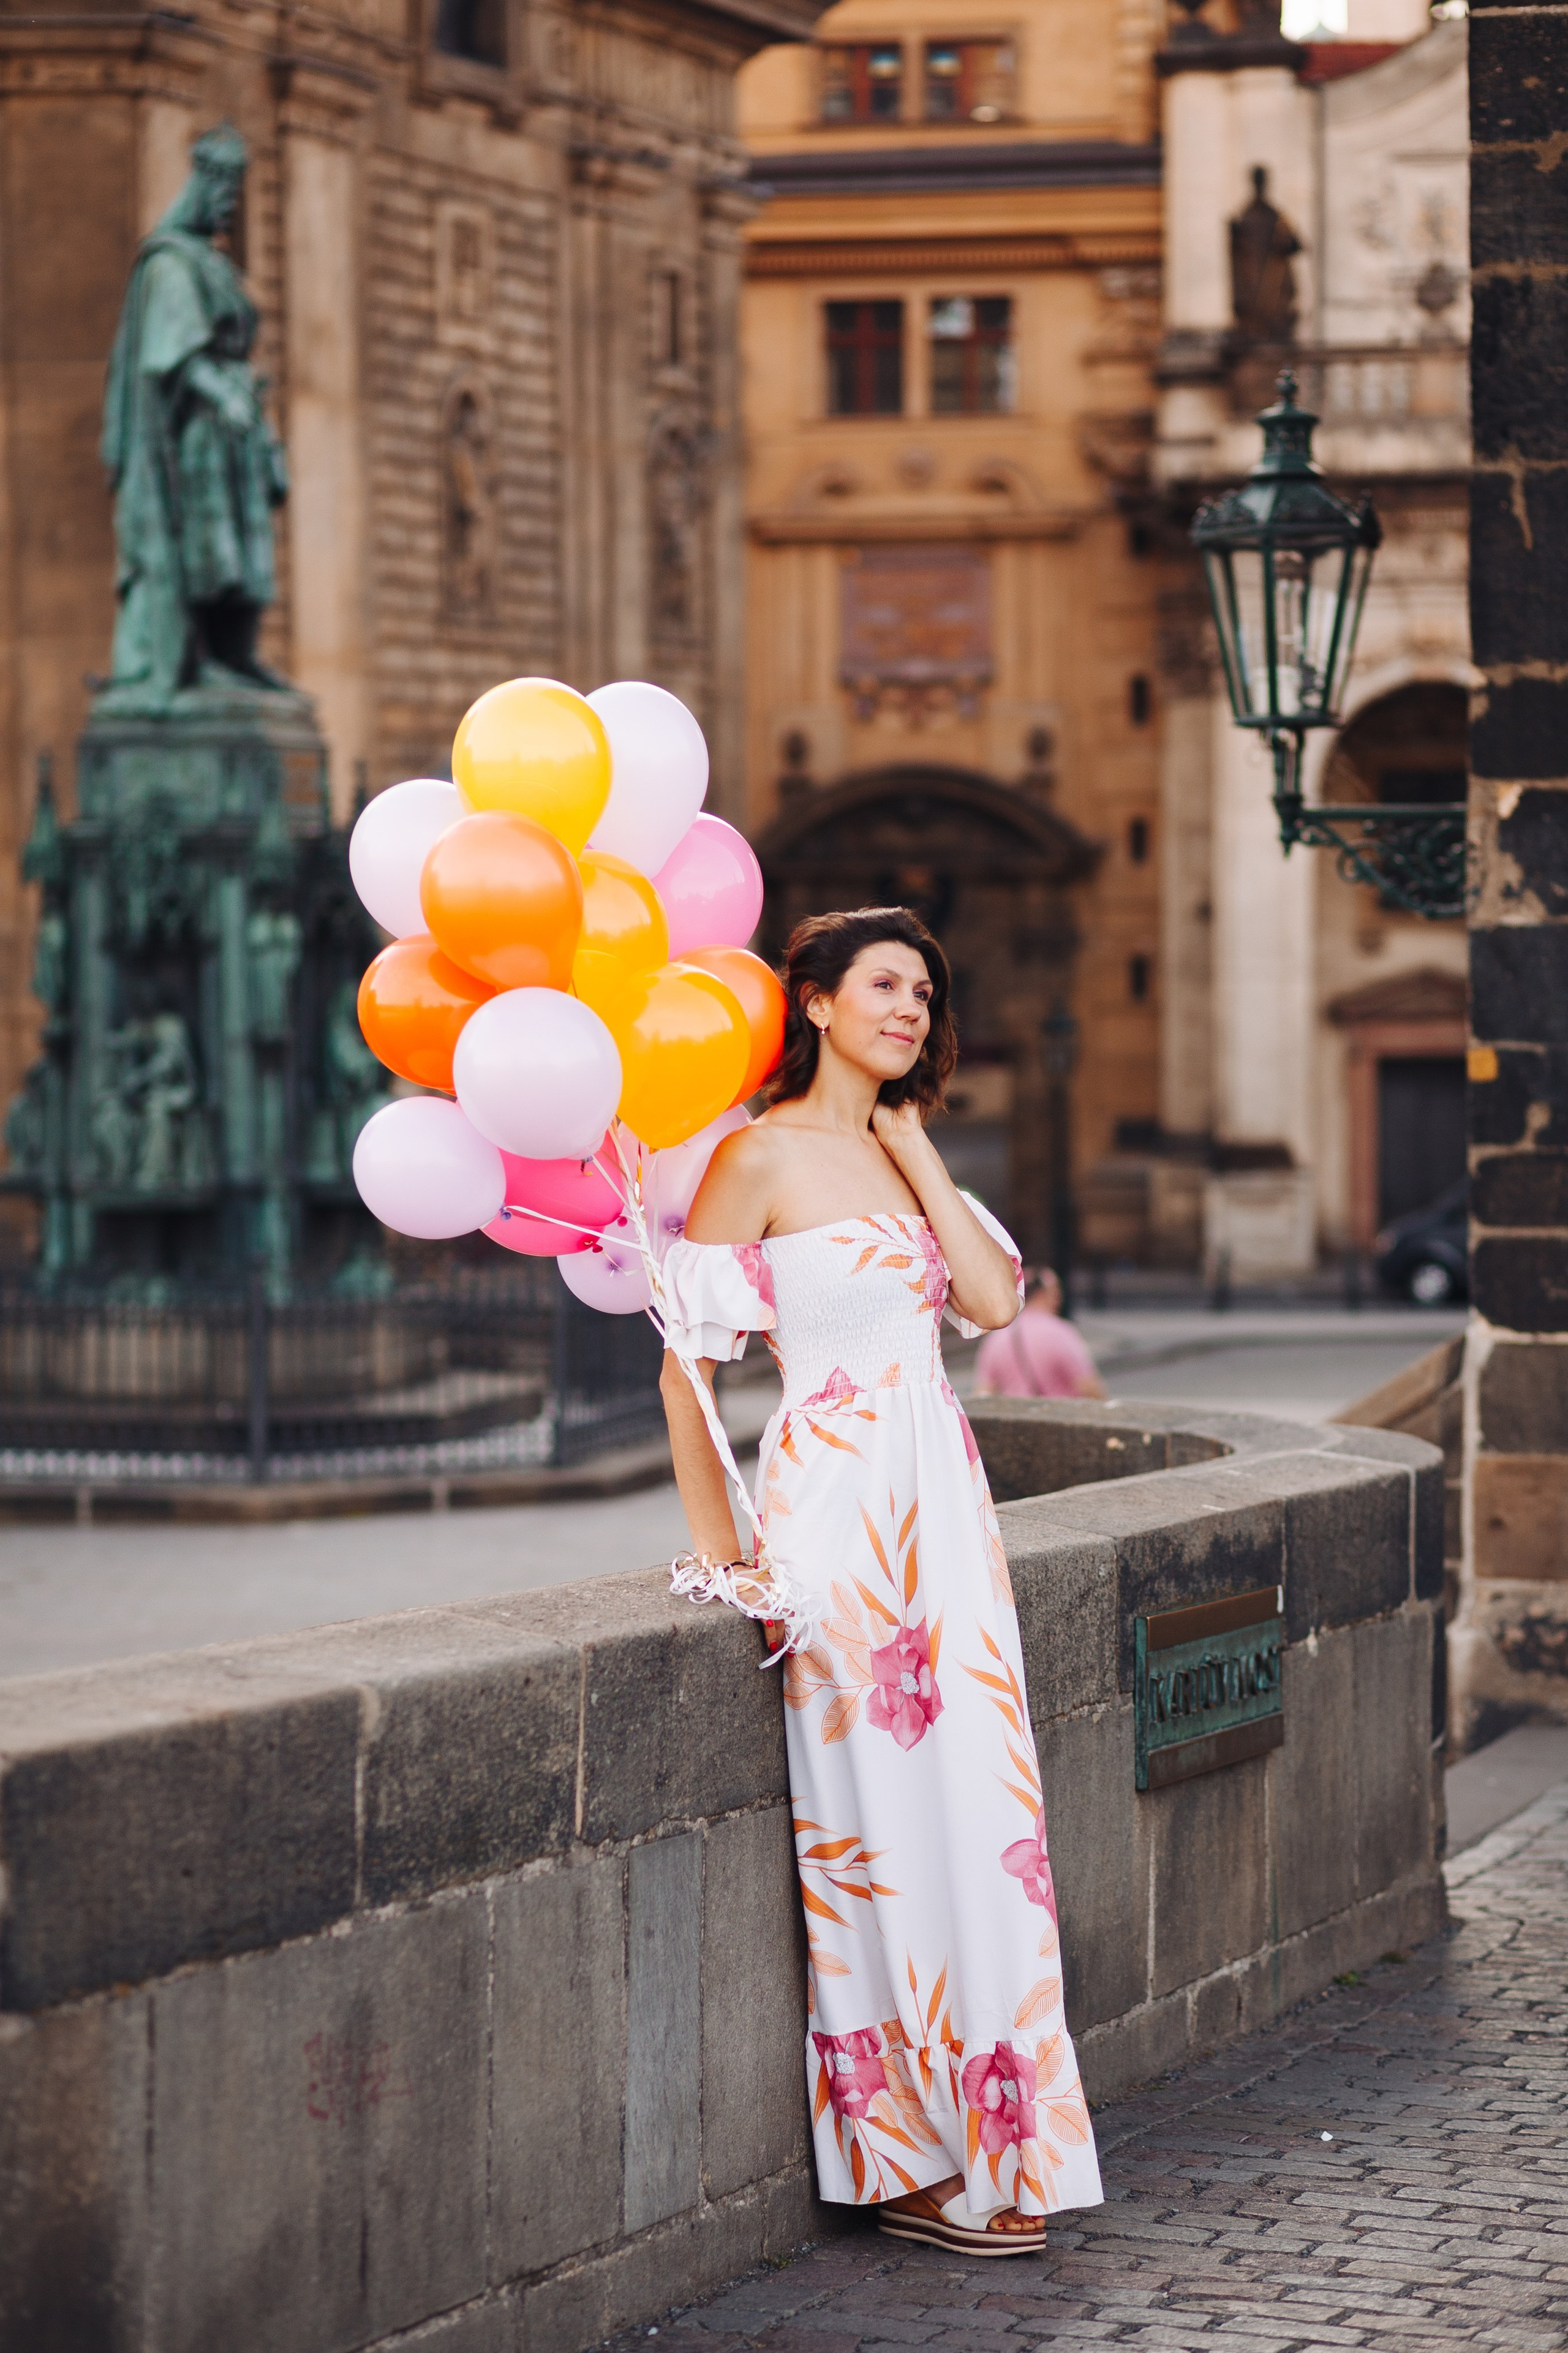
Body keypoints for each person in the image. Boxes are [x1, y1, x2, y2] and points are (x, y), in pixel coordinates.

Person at [658, 906, 1103, 2256]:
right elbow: (687, 1368)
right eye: (883, 985)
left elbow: (988, 1306)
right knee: (876, 1834)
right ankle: (903, 2155)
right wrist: (727, 1557)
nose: (909, 1007)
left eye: (924, 990)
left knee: (986, 1817)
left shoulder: (906, 1153)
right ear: (812, 1002)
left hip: (943, 1514)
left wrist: (911, 1143)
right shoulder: (755, 1158)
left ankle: (1000, 2135)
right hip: (835, 1513)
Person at [973, 1266, 1106, 1400]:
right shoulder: (1061, 1333)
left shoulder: (998, 1336)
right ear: (1041, 1294)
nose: (1059, 1298)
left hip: (1016, 1417)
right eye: (1056, 1292)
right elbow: (1088, 1386)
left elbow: (984, 1392)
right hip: (1055, 1417)